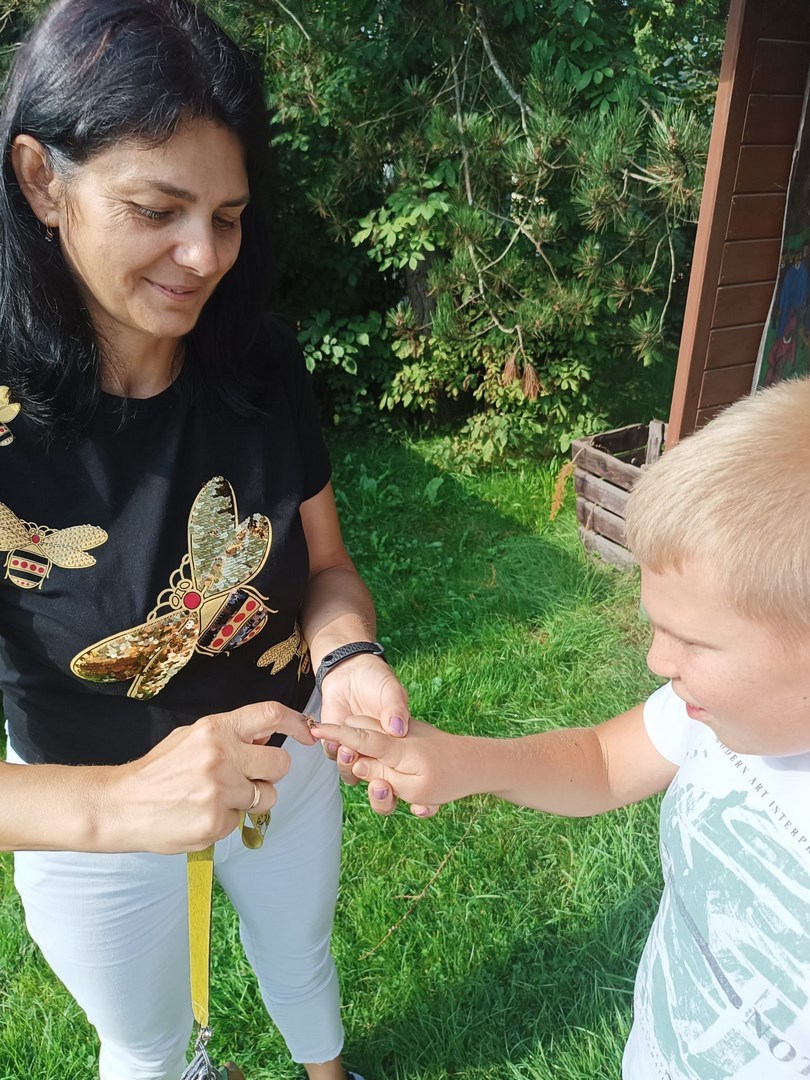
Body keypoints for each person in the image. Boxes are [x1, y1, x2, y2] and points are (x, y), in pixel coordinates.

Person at [0, 2, 408, 1078]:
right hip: (86, 808)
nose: (203, 256)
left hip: (287, 756)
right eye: (156, 209)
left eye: (227, 216)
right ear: (42, 180)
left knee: (300, 954)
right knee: (146, 1045)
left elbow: (326, 568)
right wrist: (121, 803)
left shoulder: (259, 362)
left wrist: (348, 657)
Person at [312, 377, 810, 1079]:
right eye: (657, 627)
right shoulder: (713, 712)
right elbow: (605, 761)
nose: (656, 661)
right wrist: (461, 762)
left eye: (693, 642)